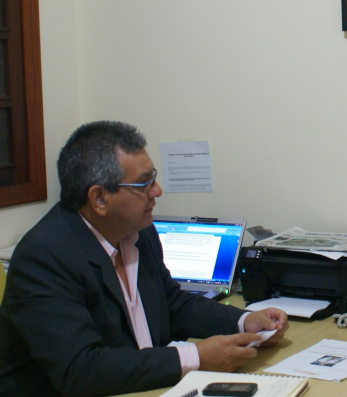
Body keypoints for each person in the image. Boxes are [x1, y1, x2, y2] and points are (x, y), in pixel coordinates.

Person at [0, 121, 289, 397]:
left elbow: (173, 305)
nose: (157, 191)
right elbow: (80, 369)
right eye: (143, 185)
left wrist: (245, 321)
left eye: (154, 178)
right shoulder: (44, 257)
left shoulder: (139, 231)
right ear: (99, 199)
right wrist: (196, 357)